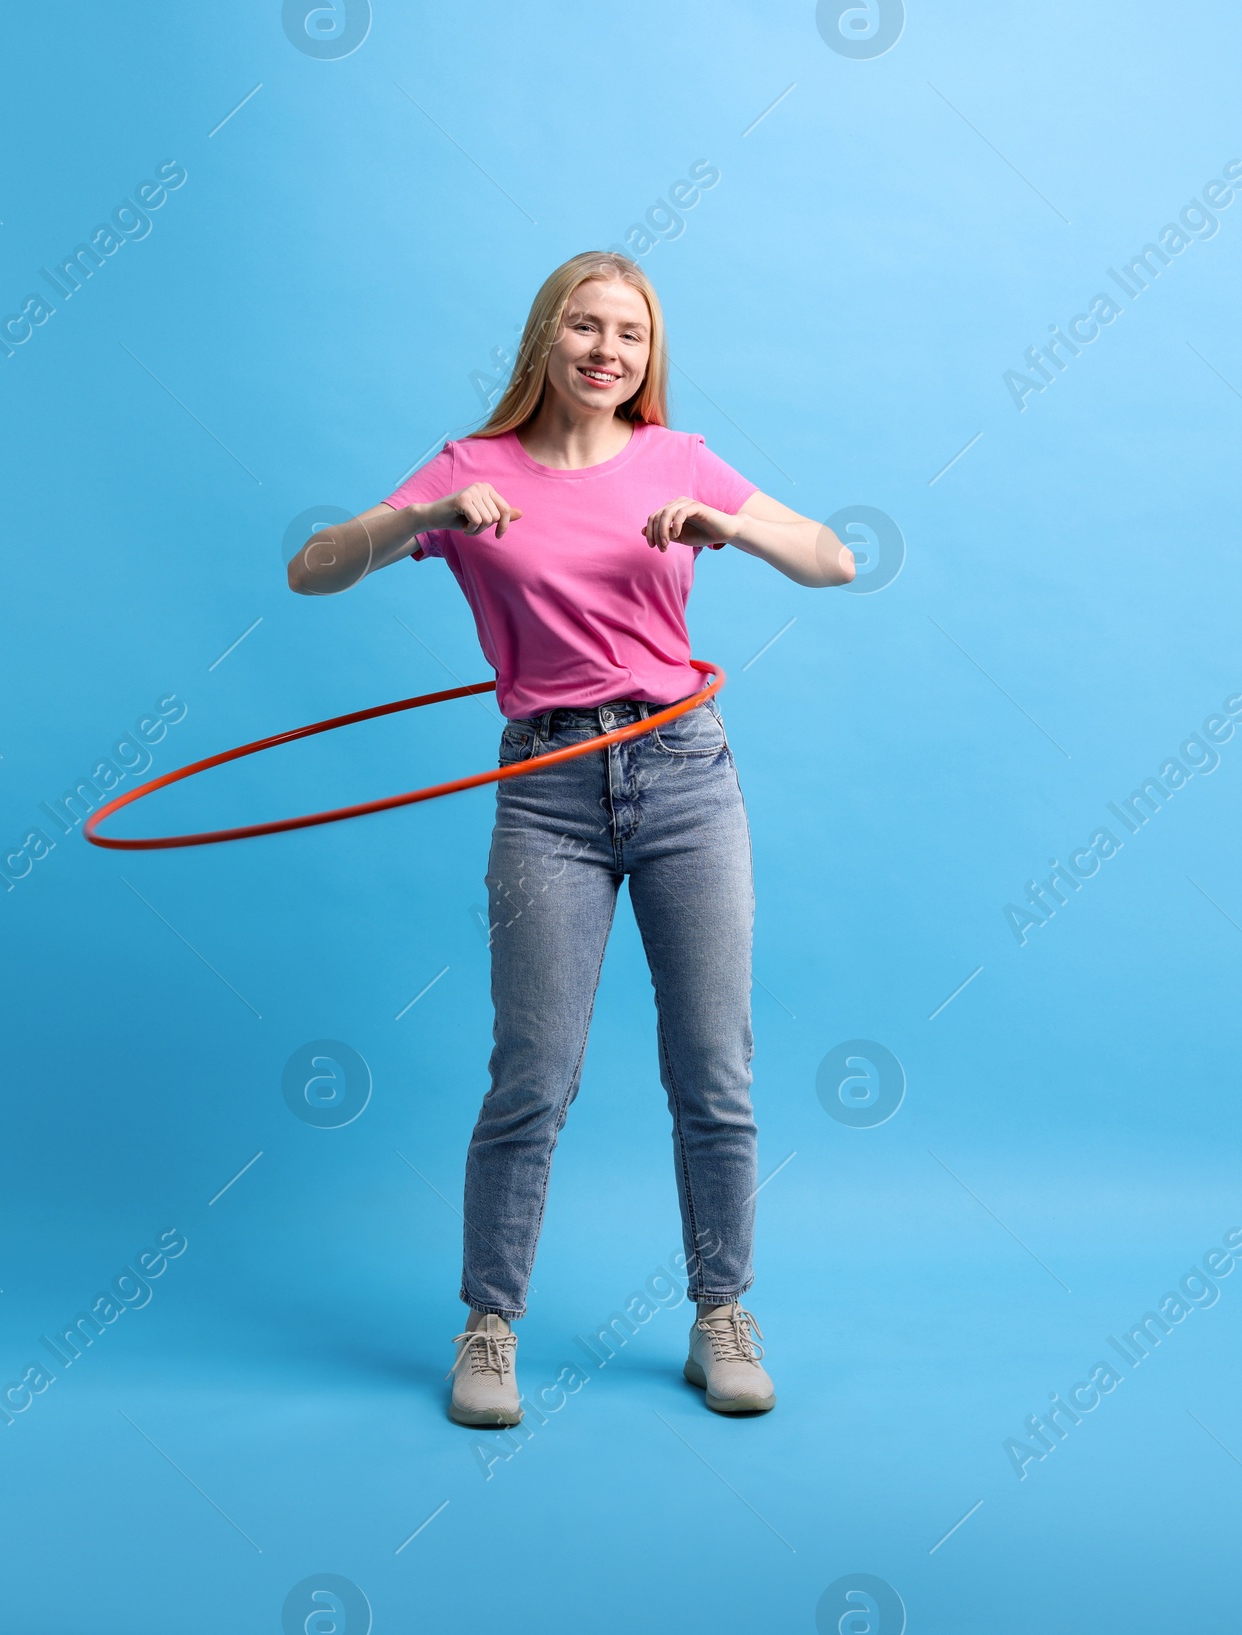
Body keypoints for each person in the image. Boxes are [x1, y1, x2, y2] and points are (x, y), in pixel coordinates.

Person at [287, 251, 853, 1425]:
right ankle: (488, 1329)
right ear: (546, 338)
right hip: (546, 792)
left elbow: (833, 558)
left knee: (714, 1069)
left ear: (650, 360)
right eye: (586, 327)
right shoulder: (473, 467)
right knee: (531, 1075)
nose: (607, 350)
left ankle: (720, 1316)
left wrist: (728, 529)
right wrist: (429, 517)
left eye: (631, 336)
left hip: (685, 773)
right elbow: (312, 570)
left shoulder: (678, 463)